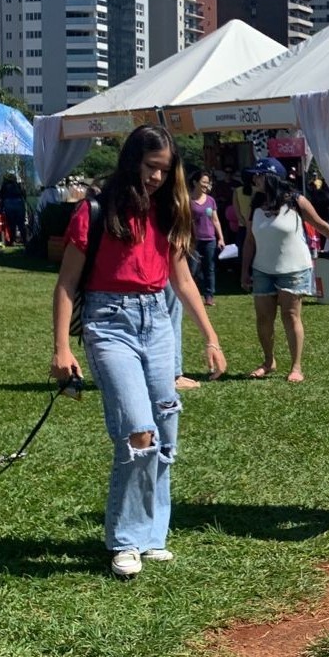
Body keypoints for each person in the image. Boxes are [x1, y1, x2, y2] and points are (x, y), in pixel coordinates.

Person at [51, 124, 226, 579]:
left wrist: (210, 336)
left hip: (158, 321)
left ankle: (152, 535)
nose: (157, 179)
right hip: (109, 325)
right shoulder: (93, 210)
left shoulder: (167, 212)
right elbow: (67, 284)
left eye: (165, 172)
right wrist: (60, 348)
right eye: (152, 168)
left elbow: (182, 279)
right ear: (132, 161)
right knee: (138, 432)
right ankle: (125, 540)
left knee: (165, 425)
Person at [240, 157, 329, 383]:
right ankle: (268, 361)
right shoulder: (255, 204)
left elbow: (321, 225)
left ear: (272, 177)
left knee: (291, 315)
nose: (254, 179)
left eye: (259, 174)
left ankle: (296, 366)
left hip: (293, 268)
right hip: (262, 269)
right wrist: (244, 270)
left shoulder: (296, 201)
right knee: (263, 318)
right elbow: (249, 240)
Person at [188, 169, 224, 306]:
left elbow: (215, 220)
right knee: (193, 269)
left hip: (210, 239)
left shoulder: (211, 200)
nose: (206, 185)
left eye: (207, 183)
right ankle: (192, 295)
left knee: (209, 268)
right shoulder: (188, 200)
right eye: (203, 182)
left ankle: (209, 296)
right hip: (194, 240)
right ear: (195, 182)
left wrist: (220, 238)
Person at [0, 172, 27, 246]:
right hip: (19, 203)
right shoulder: (18, 184)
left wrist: (1, 208)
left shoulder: (4, 185)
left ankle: (12, 240)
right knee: (21, 224)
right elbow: (23, 193)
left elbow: (2, 196)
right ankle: (25, 240)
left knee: (12, 224)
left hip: (8, 204)